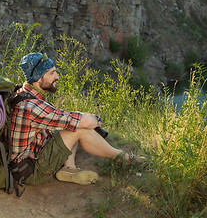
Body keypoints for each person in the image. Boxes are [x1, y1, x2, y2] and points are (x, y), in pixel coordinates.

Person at [10, 52, 145, 186]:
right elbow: (85, 122)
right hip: (30, 171)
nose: (57, 76)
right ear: (38, 78)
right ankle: (124, 158)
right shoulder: (31, 106)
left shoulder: (24, 94)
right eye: (52, 73)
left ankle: (69, 168)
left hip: (30, 158)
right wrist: (94, 119)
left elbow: (62, 117)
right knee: (78, 128)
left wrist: (81, 118)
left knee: (72, 124)